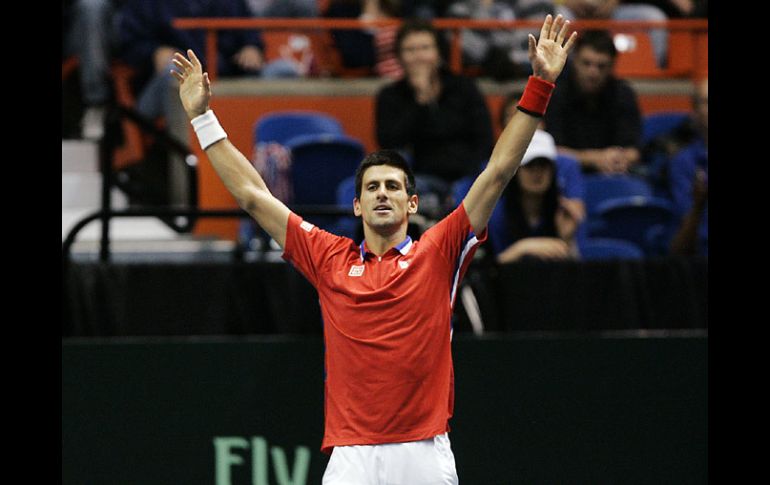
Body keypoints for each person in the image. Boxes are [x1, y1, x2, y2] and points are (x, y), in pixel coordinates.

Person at [172, 14, 576, 483]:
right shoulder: (328, 258)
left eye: (392, 186)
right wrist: (202, 117)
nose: (382, 193)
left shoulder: (439, 251)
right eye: (372, 188)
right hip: (351, 457)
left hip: (421, 453)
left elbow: (499, 172)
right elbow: (252, 196)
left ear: (412, 200)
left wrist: (540, 84)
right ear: (358, 205)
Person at [375, 19, 495, 218]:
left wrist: (469, 175)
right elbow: (388, 142)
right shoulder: (391, 95)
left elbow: (484, 139)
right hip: (421, 178)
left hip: (468, 175)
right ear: (400, 56)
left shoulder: (463, 88)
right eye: (410, 50)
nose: (418, 56)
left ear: (438, 52)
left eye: (425, 48)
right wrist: (420, 102)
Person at [544, 29, 643, 174]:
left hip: (615, 172)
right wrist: (595, 159)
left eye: (601, 66)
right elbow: (551, 151)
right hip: (564, 174)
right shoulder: (556, 93)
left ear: (612, 66)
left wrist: (615, 159)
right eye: (586, 63)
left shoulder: (623, 94)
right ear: (574, 61)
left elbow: (634, 150)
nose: (593, 73)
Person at [488, 129, 584, 262]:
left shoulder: (564, 212)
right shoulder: (497, 214)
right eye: (529, 165)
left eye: (543, 164)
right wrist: (522, 249)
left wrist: (567, 239)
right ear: (515, 171)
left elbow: (576, 270)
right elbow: (491, 269)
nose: (537, 172)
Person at [668, 77, 707, 256]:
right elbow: (680, 248)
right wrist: (699, 204)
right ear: (695, 111)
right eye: (706, 103)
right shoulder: (683, 163)